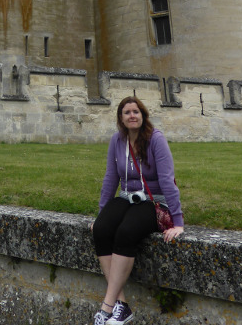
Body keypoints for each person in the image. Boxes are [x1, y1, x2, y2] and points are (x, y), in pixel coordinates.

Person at [91, 96, 184, 324]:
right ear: (121, 119)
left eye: (136, 112)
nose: (132, 116)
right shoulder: (117, 140)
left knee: (126, 232)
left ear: (143, 116)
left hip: (154, 201)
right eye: (127, 112)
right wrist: (102, 212)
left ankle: (107, 307)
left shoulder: (156, 140)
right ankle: (121, 305)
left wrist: (178, 222)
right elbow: (111, 178)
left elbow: (167, 179)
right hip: (127, 197)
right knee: (101, 229)